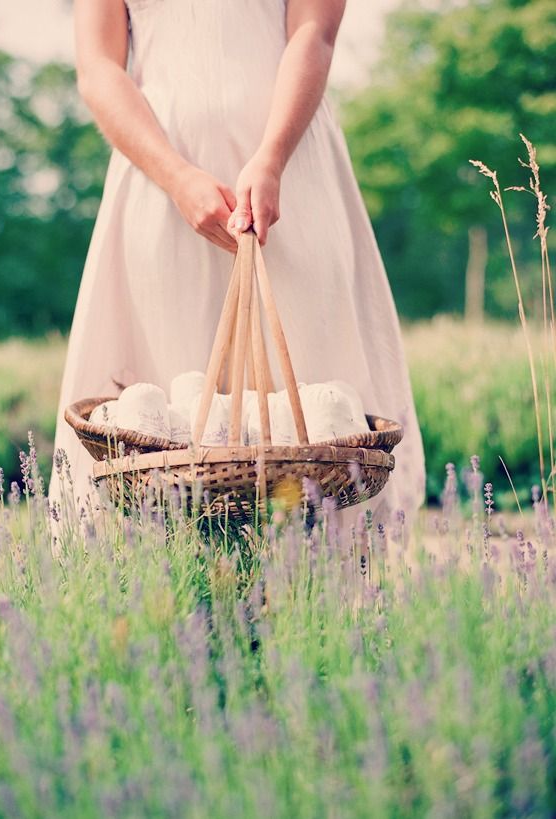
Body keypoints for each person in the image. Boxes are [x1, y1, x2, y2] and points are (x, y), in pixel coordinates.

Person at [49, 0, 426, 535]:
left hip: (291, 167)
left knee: (312, 389)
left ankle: (318, 599)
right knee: (160, 396)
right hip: (158, 170)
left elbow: (314, 32)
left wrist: (272, 157)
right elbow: (98, 68)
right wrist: (176, 177)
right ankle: (162, 603)